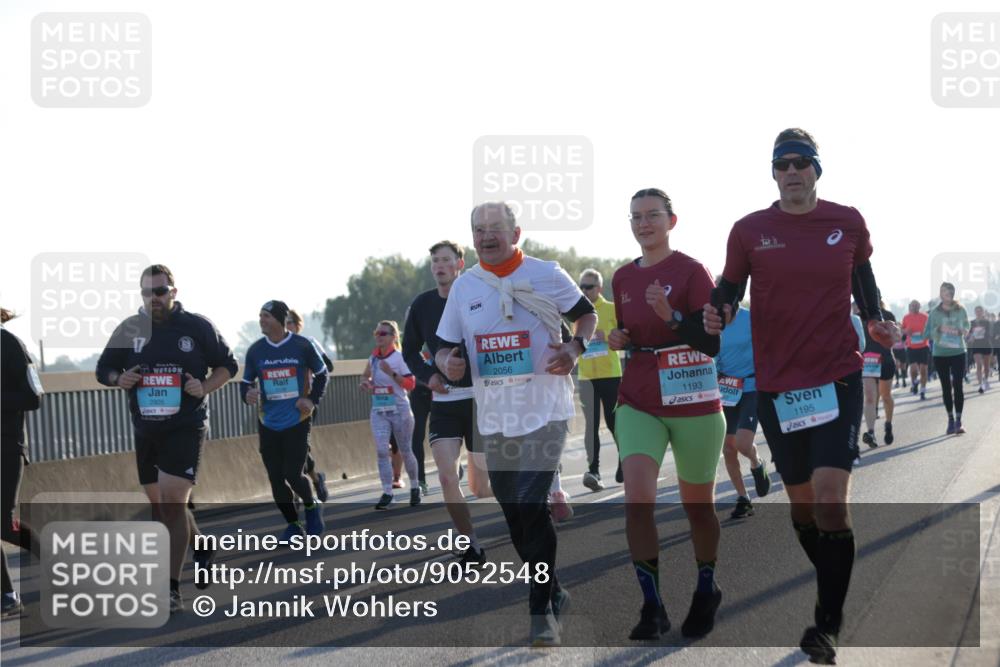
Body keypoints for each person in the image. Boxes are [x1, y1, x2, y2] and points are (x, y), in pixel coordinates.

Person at [705, 129, 898, 664]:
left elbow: (864, 279)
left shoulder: (847, 221)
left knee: (832, 499)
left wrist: (877, 320)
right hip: (777, 385)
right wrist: (715, 309)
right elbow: (728, 288)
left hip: (836, 374)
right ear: (773, 174)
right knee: (805, 510)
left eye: (801, 163)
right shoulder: (749, 230)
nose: (791, 172)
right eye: (781, 165)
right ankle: (835, 574)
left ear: (817, 169)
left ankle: (827, 623)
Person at [436, 201, 597, 646]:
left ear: (516, 232)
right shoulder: (466, 286)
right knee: (515, 515)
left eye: (495, 228)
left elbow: (586, 315)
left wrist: (575, 347)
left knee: (530, 502)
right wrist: (446, 362)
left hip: (546, 409)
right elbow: (443, 347)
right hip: (495, 417)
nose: (487, 235)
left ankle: (539, 608)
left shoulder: (547, 274)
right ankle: (553, 587)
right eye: (479, 229)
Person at [608, 189, 726, 640]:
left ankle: (705, 587)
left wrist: (672, 315)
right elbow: (628, 331)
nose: (643, 224)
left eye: (652, 215)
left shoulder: (692, 271)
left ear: (671, 221)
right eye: (635, 216)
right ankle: (651, 605)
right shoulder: (621, 278)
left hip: (693, 397)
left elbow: (711, 341)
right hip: (639, 397)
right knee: (638, 499)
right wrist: (619, 337)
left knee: (698, 508)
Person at [97, 265, 239, 613]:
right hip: (146, 429)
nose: (154, 298)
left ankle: (170, 588)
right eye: (147, 293)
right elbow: (103, 369)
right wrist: (120, 378)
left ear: (173, 291)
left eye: (160, 291)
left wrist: (204, 386)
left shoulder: (196, 326)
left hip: (186, 425)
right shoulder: (130, 328)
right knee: (161, 506)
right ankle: (201, 544)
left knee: (173, 503)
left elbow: (228, 365)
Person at [403, 240, 492, 563]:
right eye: (435, 262)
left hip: (479, 399)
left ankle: (532, 484)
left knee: (482, 489)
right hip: (444, 401)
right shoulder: (422, 305)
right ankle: (471, 544)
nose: (439, 266)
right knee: (445, 477)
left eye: (445, 260)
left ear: (460, 263)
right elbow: (409, 351)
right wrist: (429, 376)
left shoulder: (477, 297)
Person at [242, 300, 329, 539]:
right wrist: (247, 393)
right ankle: (293, 524)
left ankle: (311, 506)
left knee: (293, 473)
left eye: (266, 316)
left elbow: (323, 374)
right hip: (268, 421)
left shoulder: (302, 346)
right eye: (260, 316)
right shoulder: (256, 350)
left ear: (280, 320)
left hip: (297, 419)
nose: (261, 320)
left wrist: (311, 399)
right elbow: (246, 382)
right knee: (275, 477)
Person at [1, 308, 42, 619]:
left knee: (3, 521)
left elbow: (34, 397)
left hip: (7, 445)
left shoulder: (10, 345)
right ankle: (7, 596)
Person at [715, 302, 771, 519]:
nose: (723, 305)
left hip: (751, 387)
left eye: (727, 300)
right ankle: (743, 498)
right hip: (726, 389)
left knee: (743, 444)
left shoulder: (751, 318)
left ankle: (757, 463)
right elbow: (710, 351)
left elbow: (768, 346)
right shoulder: (713, 321)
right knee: (728, 448)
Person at [361, 320, 421, 510]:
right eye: (376, 333)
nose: (378, 336)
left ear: (393, 337)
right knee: (381, 450)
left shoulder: (399, 358)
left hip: (400, 410)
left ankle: (415, 487)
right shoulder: (373, 358)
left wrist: (392, 374)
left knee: (405, 450)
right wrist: (366, 383)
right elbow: (365, 376)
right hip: (379, 411)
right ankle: (387, 492)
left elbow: (411, 384)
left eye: (383, 333)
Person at [576, 268, 623, 490]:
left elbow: (624, 333)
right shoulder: (576, 313)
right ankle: (593, 470)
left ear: (599, 288)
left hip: (610, 375)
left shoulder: (612, 309)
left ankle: (625, 461)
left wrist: (608, 333)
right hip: (586, 377)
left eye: (588, 287)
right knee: (591, 426)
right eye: (581, 287)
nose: (584, 290)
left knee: (615, 423)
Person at [284, 309, 333, 502]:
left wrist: (308, 366)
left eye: (289, 323)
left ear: (297, 325)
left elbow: (328, 366)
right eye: (284, 323)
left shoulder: (308, 343)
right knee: (288, 448)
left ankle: (298, 490)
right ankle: (314, 478)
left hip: (305, 403)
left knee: (299, 447)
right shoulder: (275, 348)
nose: (286, 327)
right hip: (283, 406)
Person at [927, 282, 970, 435]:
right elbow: (927, 333)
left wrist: (962, 331)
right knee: (946, 387)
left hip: (958, 351)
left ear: (952, 293)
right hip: (940, 354)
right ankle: (950, 419)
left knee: (958, 385)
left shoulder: (961, 309)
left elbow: (967, 328)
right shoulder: (934, 312)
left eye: (947, 291)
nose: (945, 294)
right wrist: (938, 329)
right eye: (942, 291)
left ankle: (959, 420)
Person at [860, 298, 899, 447]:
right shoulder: (858, 317)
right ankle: (871, 433)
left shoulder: (887, 315)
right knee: (869, 397)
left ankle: (888, 424)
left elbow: (896, 339)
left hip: (886, 359)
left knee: (886, 396)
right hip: (868, 360)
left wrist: (891, 330)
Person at [902, 300, 930, 399]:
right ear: (910, 307)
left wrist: (925, 333)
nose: (914, 307)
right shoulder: (906, 317)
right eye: (913, 305)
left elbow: (931, 329)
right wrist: (906, 331)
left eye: (916, 305)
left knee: (923, 369)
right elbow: (902, 330)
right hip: (911, 347)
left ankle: (922, 390)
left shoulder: (925, 316)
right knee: (913, 369)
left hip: (923, 346)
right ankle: (914, 383)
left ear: (919, 306)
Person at [969, 305, 992, 393]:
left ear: (982, 312)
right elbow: (969, 334)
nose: (978, 313)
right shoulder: (972, 323)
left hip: (986, 345)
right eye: (977, 311)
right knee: (979, 364)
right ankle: (981, 384)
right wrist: (970, 337)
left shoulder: (987, 322)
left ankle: (985, 380)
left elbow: (989, 333)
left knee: (986, 366)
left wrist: (980, 334)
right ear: (975, 312)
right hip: (976, 346)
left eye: (980, 311)